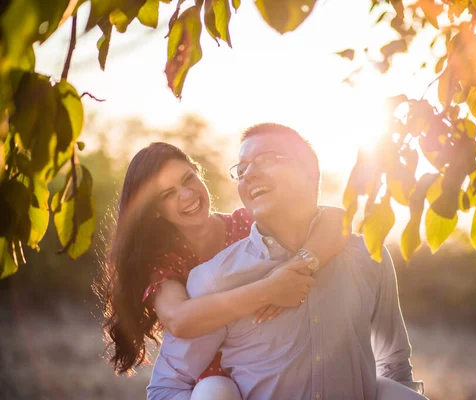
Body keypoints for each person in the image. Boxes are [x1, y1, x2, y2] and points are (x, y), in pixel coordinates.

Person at [148, 124, 426, 399]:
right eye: (241, 169)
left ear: (309, 172)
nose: (249, 174)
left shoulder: (367, 257)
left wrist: (301, 264)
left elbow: (395, 365)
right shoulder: (211, 278)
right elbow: (168, 379)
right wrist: (268, 289)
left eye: (267, 159)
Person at [97, 142, 346, 398]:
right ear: (156, 211)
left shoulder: (248, 225)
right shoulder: (165, 261)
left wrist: (300, 267)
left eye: (188, 179)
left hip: (265, 369)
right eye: (168, 194)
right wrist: (270, 289)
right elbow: (179, 320)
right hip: (205, 384)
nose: (186, 195)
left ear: (198, 173)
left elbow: (336, 221)